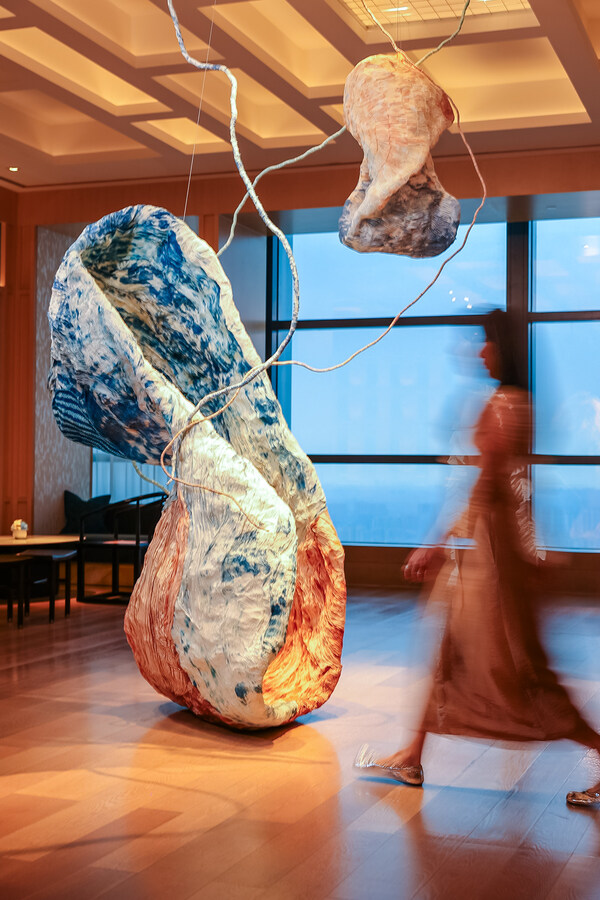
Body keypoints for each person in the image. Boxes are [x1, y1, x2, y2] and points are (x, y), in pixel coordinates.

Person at [355, 309, 600, 807]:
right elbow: (513, 489)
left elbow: (485, 487)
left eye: (485, 341)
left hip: (495, 564)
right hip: (497, 555)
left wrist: (434, 544)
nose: (478, 350)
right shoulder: (519, 403)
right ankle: (412, 755)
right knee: (454, 652)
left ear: (501, 347)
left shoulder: (503, 405)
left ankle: (596, 746)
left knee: (521, 671)